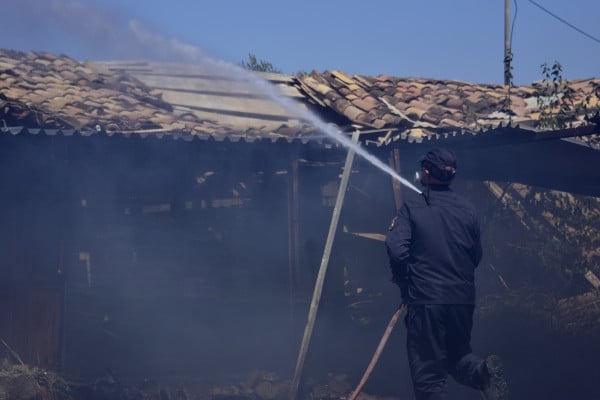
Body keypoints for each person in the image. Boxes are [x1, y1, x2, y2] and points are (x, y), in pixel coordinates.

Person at [384, 148, 508, 400]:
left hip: (427, 301)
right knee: (457, 356)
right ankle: (483, 372)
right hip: (462, 301)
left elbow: (397, 251)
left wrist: (406, 283)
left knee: (429, 378)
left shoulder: (412, 209)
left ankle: (480, 374)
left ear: (425, 173)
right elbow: (476, 256)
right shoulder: (468, 210)